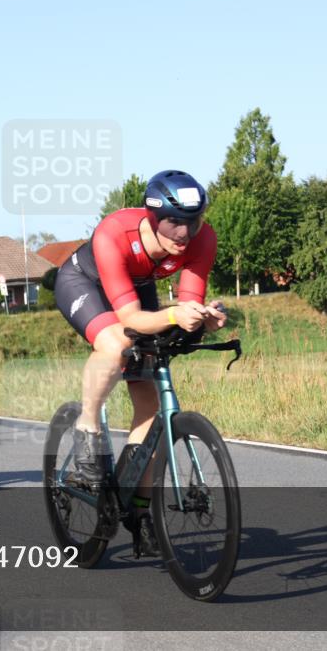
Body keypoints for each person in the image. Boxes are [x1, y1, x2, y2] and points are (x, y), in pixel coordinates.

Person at [54, 170, 228, 554]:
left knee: (150, 406)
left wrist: (204, 318)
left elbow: (186, 306)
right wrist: (174, 315)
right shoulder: (115, 233)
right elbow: (132, 319)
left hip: (137, 287)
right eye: (173, 223)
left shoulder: (203, 239)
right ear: (153, 218)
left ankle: (138, 509)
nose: (184, 233)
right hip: (85, 283)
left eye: (193, 222)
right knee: (116, 343)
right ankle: (86, 428)